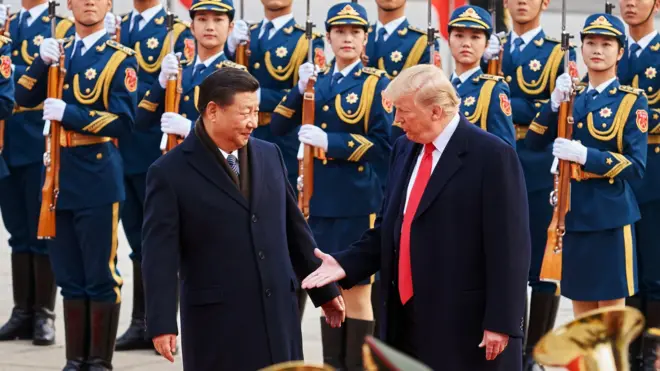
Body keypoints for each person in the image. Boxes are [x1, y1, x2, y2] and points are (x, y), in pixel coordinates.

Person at [301, 63, 530, 371]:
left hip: (465, 325)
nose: (396, 120)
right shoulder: (405, 148)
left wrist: (501, 322)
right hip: (404, 319)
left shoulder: (491, 156)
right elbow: (390, 229)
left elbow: (511, 248)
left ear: (435, 111)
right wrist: (344, 264)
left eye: (403, 112)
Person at [141, 67, 344, 371]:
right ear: (213, 111)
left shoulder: (269, 154)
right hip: (219, 320)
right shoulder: (169, 172)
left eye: (256, 111)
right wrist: (161, 322)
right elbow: (159, 254)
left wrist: (323, 290)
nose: (253, 121)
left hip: (277, 313)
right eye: (245, 112)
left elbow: (295, 232)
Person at [14, 0, 138, 368]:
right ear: (69, 5)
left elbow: (124, 122)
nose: (89, 3)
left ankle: (98, 363)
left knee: (100, 275)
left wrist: (70, 114)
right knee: (69, 275)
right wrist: (40, 61)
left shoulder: (119, 58)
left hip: (96, 175)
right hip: (57, 175)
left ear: (108, 5)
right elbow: (23, 97)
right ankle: (75, 361)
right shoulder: (59, 49)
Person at [271, 2, 393, 369]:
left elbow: (386, 147)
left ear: (365, 39)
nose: (347, 39)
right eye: (339, 32)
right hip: (317, 200)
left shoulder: (375, 83)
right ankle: (331, 364)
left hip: (356, 199)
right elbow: (277, 128)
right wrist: (298, 89)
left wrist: (333, 143)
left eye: (355, 32)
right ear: (328, 37)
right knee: (326, 290)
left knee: (355, 292)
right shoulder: (318, 80)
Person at [525, 13, 648, 317]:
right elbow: (532, 142)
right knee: (581, 317)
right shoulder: (572, 97)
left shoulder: (631, 101)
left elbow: (636, 166)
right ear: (581, 49)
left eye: (607, 44)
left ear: (620, 52)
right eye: (590, 42)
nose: (597, 49)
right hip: (573, 214)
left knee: (609, 316)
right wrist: (553, 104)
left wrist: (586, 156)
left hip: (610, 216)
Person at [101, 0, 194, 352]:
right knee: (137, 243)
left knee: (160, 241)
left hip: (156, 150)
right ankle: (141, 321)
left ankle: (161, 322)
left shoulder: (177, 29)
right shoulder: (118, 27)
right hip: (119, 148)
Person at [225, 0, 325, 319]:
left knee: (287, 237)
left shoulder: (309, 39)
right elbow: (221, 90)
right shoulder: (245, 37)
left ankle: (286, 322)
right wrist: (229, 53)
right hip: (242, 143)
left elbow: (313, 95)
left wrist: (285, 92)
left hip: (282, 143)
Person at [496, 1, 576, 368]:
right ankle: (509, 345)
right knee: (503, 258)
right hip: (494, 159)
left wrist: (509, 105)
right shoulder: (491, 46)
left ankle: (535, 353)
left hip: (538, 162)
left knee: (544, 265)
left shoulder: (558, 51)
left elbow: (561, 107)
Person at [0, 0, 73, 347]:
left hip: (37, 139)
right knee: (16, 231)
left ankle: (44, 313)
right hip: (6, 140)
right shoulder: (7, 23)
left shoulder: (59, 24)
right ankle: (22, 312)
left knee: (40, 228)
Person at [617, 1, 660, 368]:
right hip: (619, 177)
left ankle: (651, 354)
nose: (630, 3)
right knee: (625, 271)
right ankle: (627, 350)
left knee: (654, 271)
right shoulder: (614, 51)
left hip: (656, 172)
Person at [136, 0, 246, 139]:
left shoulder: (236, 77)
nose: (210, 27)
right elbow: (141, 122)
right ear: (192, 27)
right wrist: (161, 82)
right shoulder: (180, 70)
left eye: (218, 20)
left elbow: (239, 131)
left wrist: (191, 128)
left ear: (230, 28)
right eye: (202, 19)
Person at [447, 5, 515, 147]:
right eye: (459, 35)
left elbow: (505, 150)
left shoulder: (493, 90)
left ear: (486, 44)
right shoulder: (439, 87)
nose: (466, 44)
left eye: (475, 37)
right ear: (449, 40)